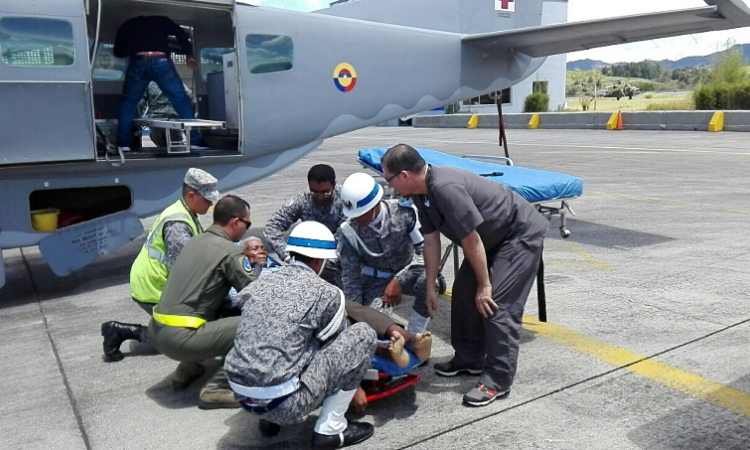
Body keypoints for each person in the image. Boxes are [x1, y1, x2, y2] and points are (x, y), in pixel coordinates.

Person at [381, 144, 548, 407]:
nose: (389, 187)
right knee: (462, 295)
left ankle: (497, 380)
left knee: (495, 306)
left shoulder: (445, 188)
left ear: (404, 175)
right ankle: (469, 359)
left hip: (517, 236)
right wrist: (429, 287)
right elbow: (431, 240)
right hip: (488, 241)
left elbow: (470, 240)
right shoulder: (421, 193)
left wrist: (485, 285)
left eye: (388, 180)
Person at [225, 221, 376, 447]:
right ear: (319, 261)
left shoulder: (258, 284)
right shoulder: (327, 293)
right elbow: (334, 348)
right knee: (363, 335)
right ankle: (331, 430)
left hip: (242, 395)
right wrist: (355, 384)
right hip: (288, 404)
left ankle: (268, 420)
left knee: (275, 341)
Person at [101, 167, 219, 391]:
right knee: (183, 335)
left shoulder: (186, 213)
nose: (210, 205)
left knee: (174, 331)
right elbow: (182, 274)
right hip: (154, 287)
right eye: (207, 200)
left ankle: (120, 331)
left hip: (152, 281)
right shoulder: (178, 225)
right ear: (192, 196)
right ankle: (189, 365)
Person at [148, 195, 255, 409]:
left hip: (156, 331)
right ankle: (216, 388)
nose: (247, 229)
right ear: (235, 222)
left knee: (207, 306)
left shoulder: (195, 240)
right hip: (180, 339)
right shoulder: (230, 252)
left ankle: (187, 369)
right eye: (247, 223)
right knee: (257, 325)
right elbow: (258, 294)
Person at [337, 172, 431, 334]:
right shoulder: (348, 231)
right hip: (375, 281)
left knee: (428, 282)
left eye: (361, 213)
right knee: (374, 326)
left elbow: (425, 251)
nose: (357, 219)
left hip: (409, 273)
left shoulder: (405, 213)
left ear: (374, 205)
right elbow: (351, 277)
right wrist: (355, 316)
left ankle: (416, 336)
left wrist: (400, 280)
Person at [113, 15, 208, 151]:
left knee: (128, 104)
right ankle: (195, 141)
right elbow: (180, 33)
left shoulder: (129, 23)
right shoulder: (162, 20)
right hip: (161, 61)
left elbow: (118, 51)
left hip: (138, 61)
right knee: (181, 101)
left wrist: (132, 50)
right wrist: (189, 54)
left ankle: (123, 145)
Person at [263, 164, 345, 287]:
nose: (320, 197)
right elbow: (272, 227)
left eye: (325, 192)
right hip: (306, 268)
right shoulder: (302, 200)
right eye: (315, 192)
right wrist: (286, 256)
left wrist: (326, 261)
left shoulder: (345, 200)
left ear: (334, 185)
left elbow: (345, 236)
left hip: (338, 267)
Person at [138, 81, 198, 147]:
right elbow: (190, 97)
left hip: (155, 120)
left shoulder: (149, 84)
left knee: (160, 144)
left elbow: (140, 103)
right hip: (173, 120)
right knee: (176, 145)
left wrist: (139, 115)